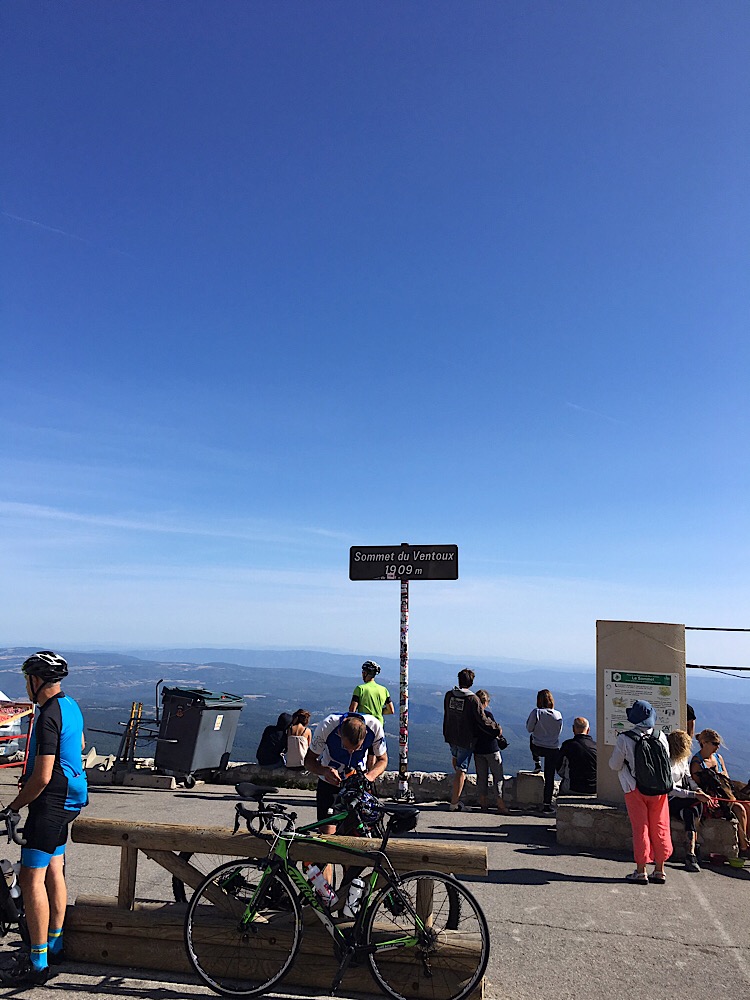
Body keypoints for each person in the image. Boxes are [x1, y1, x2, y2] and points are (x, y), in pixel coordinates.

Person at [0, 652, 87, 986]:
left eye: (27, 680)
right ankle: (55, 944)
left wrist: (14, 806)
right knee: (54, 868)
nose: (26, 686)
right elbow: (80, 743)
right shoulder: (70, 705)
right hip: (72, 798)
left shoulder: (48, 715)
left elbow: (43, 776)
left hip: (50, 802)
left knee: (30, 879)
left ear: (35, 681)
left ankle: (37, 964)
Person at [609, 699, 672, 885]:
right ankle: (659, 870)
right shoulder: (661, 737)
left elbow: (614, 765)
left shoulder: (625, 738)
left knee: (640, 828)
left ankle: (641, 871)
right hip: (659, 790)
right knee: (660, 826)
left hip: (634, 788)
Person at [304, 712, 388, 835]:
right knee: (328, 833)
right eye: (346, 747)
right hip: (330, 783)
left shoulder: (374, 726)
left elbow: (383, 760)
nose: (350, 752)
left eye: (356, 748)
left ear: (365, 735)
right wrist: (324, 771)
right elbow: (308, 761)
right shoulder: (327, 726)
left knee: (359, 831)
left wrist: (369, 777)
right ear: (339, 733)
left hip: (357, 784)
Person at [443, 669, 501, 812]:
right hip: (465, 738)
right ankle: (454, 803)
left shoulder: (449, 695)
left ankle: (456, 796)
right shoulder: (472, 699)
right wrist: (496, 729)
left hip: (451, 735)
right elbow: (482, 719)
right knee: (461, 770)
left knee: (456, 761)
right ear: (471, 682)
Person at [690, 728, 750, 857]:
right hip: (712, 799)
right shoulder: (697, 763)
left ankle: (745, 841)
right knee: (740, 809)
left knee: (747, 806)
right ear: (704, 743)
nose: (717, 747)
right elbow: (698, 785)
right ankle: (744, 846)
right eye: (715, 744)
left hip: (726, 794)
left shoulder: (718, 758)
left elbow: (726, 779)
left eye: (718, 744)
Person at [667, 729, 712, 872]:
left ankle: (690, 852)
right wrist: (693, 795)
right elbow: (670, 789)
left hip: (684, 796)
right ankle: (692, 851)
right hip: (671, 798)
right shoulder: (667, 761)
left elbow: (688, 777)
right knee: (694, 804)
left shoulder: (683, 759)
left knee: (690, 812)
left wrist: (698, 790)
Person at [526, 689, 563, 813]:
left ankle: (537, 763)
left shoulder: (536, 712)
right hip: (553, 749)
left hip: (538, 747)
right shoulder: (558, 714)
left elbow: (529, 729)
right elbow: (559, 731)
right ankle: (547, 804)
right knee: (550, 777)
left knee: (531, 738)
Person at [474, 690, 507, 814]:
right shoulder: (487, 715)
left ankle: (483, 803)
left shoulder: (472, 716)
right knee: (498, 777)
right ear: (485, 702)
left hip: (478, 750)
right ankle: (500, 804)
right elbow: (495, 731)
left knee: (482, 777)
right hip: (491, 749)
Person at [556, 717, 597, 796]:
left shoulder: (567, 745)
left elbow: (560, 769)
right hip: (593, 789)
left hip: (572, 788)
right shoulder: (596, 746)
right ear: (588, 730)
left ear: (573, 729)